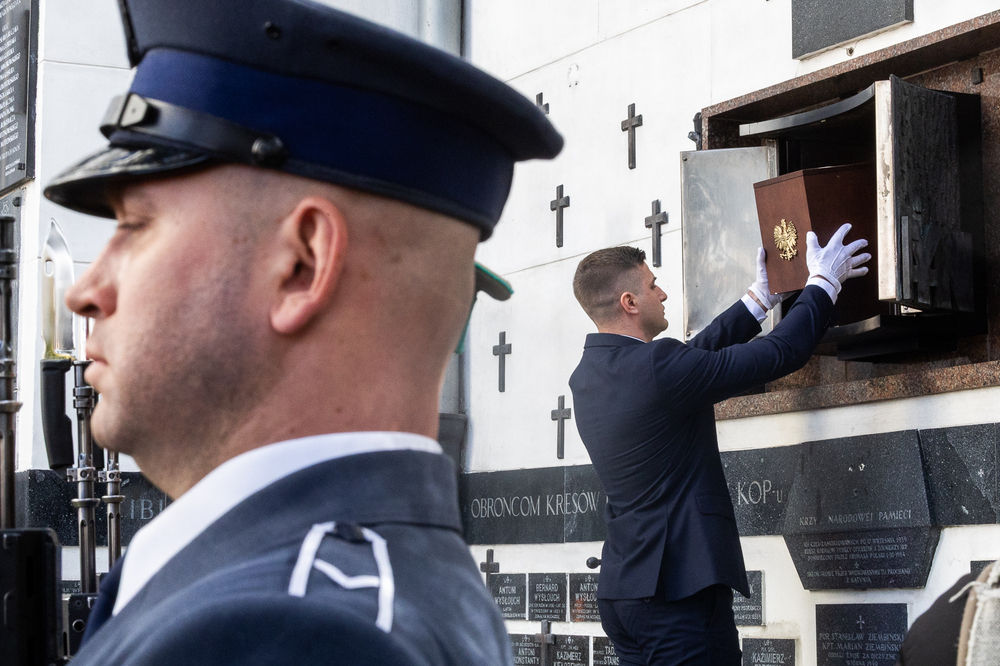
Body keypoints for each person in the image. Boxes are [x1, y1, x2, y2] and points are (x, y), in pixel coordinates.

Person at [44, 1, 562, 664]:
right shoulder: (309, 591)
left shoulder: (287, 633)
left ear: (301, 265)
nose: (86, 292)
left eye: (134, 227)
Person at [568, 227, 870, 666]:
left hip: (625, 593)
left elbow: (689, 363)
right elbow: (780, 352)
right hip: (678, 593)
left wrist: (756, 303)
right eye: (653, 286)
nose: (664, 293)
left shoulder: (589, 375)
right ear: (629, 303)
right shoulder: (658, 367)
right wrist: (824, 283)